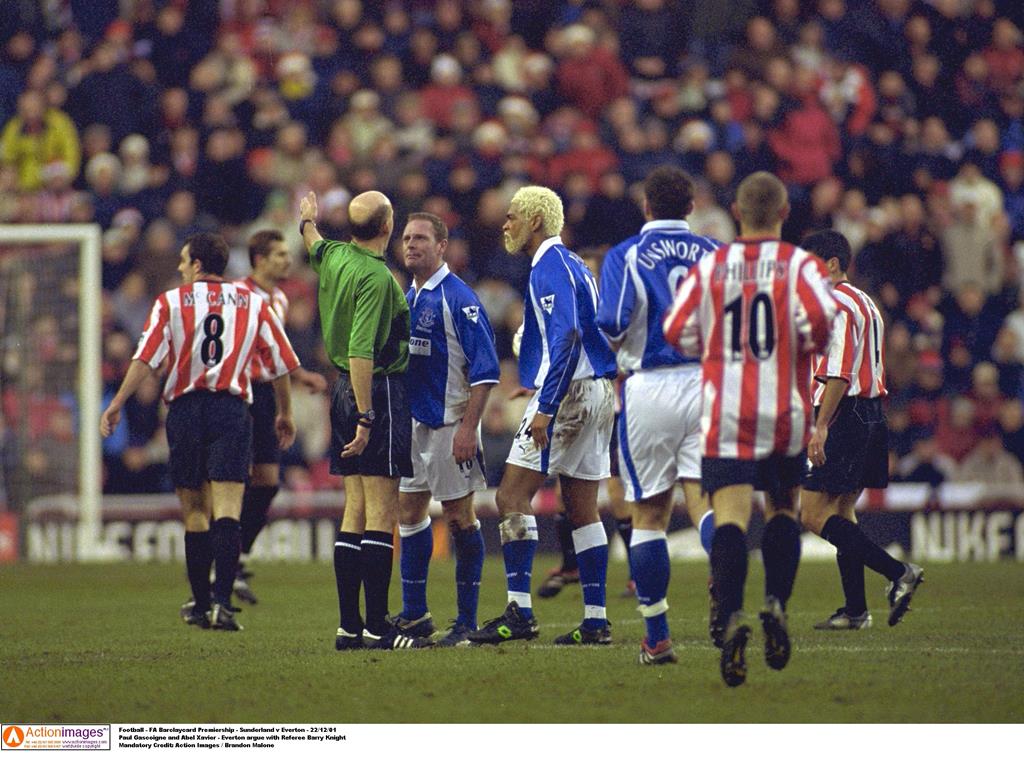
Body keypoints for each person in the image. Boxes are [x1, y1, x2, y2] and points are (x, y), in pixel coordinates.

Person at [663, 171, 837, 686]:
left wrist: (715, 347)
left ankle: (733, 613)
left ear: (737, 213)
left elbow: (676, 330)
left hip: (728, 412)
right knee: (783, 508)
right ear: (784, 213)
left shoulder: (712, 265)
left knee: (731, 518)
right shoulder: (800, 265)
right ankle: (776, 604)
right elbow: (823, 324)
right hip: (784, 411)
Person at [100, 232, 299, 632]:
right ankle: (223, 604)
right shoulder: (253, 302)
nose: (179, 266)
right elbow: (280, 363)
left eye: (183, 260)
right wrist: (285, 412)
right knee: (228, 508)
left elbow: (145, 358)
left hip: (186, 411)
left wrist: (118, 401)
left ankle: (200, 605)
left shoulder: (170, 302)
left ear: (196, 264)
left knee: (194, 511)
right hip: (232, 410)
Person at [467, 185, 617, 646]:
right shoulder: (575, 264)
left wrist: (547, 405)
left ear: (535, 221)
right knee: (583, 507)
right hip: (597, 390)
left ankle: (520, 612)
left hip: (567, 395)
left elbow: (568, 335)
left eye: (513, 216)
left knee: (511, 496)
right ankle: (595, 620)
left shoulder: (549, 265)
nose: (506, 223)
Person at [596, 165, 720, 664]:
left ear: (646, 206)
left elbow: (611, 322)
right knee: (707, 503)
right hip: (707, 383)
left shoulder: (626, 255)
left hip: (649, 385)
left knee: (649, 513)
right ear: (691, 207)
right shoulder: (715, 253)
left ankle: (658, 636)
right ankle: (724, 580)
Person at [299, 189, 430, 651]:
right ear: (388, 226)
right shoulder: (376, 276)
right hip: (375, 390)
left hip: (340, 390)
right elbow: (361, 350)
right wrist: (367, 414)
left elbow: (313, 241)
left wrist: (307, 220)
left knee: (353, 509)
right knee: (381, 512)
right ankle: (377, 626)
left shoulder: (335, 256)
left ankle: (349, 627)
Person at [799, 229, 924, 630]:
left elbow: (838, 372)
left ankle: (899, 572)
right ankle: (856, 610)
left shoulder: (833, 303)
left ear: (832, 263)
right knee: (842, 511)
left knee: (812, 513)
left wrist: (821, 425)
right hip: (871, 412)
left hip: (844, 413)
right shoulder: (865, 301)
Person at [392, 212, 500, 647]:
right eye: (406, 238)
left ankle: (466, 622)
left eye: (420, 238)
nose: (411, 245)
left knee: (458, 517)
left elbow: (486, 371)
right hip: (413, 423)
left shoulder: (459, 298)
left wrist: (468, 428)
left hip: (449, 423)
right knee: (409, 512)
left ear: (441, 246)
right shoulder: (409, 296)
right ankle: (415, 614)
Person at [232, 230, 329, 604]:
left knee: (268, 481)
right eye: (279, 255)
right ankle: (220, 563)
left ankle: (237, 556)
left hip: (266, 395)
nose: (288, 261)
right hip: (237, 392)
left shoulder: (280, 298)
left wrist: (300, 375)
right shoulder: (237, 294)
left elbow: (274, 352)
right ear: (259, 259)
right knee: (232, 479)